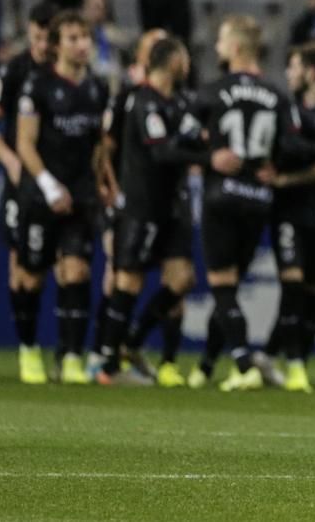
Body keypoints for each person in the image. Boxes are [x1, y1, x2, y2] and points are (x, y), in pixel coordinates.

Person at [186, 15, 314, 392]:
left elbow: (185, 134)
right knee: (230, 289)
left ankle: (243, 364)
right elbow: (295, 145)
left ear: (237, 48)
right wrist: (276, 167)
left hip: (221, 196)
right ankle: (207, 367)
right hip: (259, 198)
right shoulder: (277, 95)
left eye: (222, 40)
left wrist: (209, 154)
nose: (217, 47)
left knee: (222, 287)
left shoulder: (211, 92)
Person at [95, 37, 204, 386]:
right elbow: (160, 152)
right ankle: (110, 367)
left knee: (182, 279)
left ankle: (132, 341)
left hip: (173, 207)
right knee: (128, 280)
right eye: (184, 57)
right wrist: (206, 158)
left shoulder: (183, 100)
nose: (188, 64)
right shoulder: (143, 100)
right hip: (142, 205)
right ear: (172, 61)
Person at [14, 9, 110, 384]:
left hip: (81, 195)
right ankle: (28, 349)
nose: (81, 44)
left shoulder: (98, 88)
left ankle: (70, 355)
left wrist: (103, 183)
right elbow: (24, 142)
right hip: (42, 194)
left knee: (77, 271)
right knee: (31, 275)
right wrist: (50, 186)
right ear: (57, 46)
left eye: (85, 37)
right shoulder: (37, 85)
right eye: (72, 38)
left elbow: (101, 144)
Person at [253, 43, 315, 393]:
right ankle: (291, 362)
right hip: (289, 212)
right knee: (292, 282)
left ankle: (282, 357)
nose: (289, 73)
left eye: (294, 67)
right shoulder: (285, 108)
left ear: (310, 72)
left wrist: (285, 179)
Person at [0, 1, 57, 384]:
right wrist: (10, 160)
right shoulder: (14, 70)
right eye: (38, 36)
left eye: (49, 37)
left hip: (67, 181)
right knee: (23, 263)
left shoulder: (69, 71)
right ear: (29, 33)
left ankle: (72, 352)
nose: (43, 44)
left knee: (71, 264)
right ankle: (28, 347)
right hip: (24, 183)